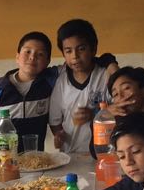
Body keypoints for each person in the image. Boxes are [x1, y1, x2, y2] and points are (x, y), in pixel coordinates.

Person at [0, 31, 58, 158]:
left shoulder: (49, 82)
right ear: (17, 57)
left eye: (40, 54)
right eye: (27, 52)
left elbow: (71, 68)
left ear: (48, 61)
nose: (32, 57)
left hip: (31, 160)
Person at [48, 19, 117, 154]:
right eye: (68, 51)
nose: (75, 56)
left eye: (81, 49)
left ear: (93, 49)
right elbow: (55, 122)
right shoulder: (61, 82)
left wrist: (96, 114)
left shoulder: (105, 76)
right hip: (71, 155)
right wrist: (59, 135)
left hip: (106, 154)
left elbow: (121, 109)